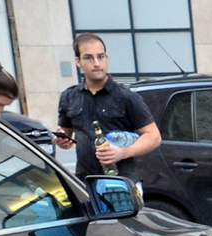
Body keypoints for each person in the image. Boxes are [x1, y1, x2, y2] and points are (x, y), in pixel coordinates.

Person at [52, 32, 160, 178]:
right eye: (88, 57)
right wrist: (62, 141)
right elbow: (66, 137)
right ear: (78, 62)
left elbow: (153, 137)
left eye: (100, 56)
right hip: (86, 181)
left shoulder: (126, 96)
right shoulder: (69, 97)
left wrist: (123, 153)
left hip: (122, 181)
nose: (96, 63)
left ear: (106, 58)